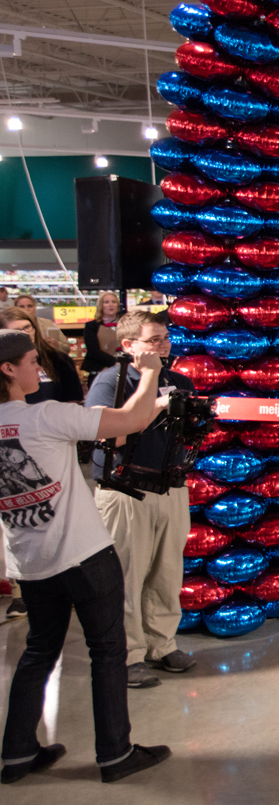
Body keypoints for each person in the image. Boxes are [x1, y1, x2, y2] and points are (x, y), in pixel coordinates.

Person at [0, 329, 171, 784]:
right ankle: (115, 754)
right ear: (7, 369)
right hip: (84, 555)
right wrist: (149, 372)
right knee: (108, 651)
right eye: (32, 361)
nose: (40, 368)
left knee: (39, 651)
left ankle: (16, 754)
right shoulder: (46, 417)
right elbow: (130, 420)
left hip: (30, 563)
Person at [84, 311, 196, 689]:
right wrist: (156, 408)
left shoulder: (177, 380)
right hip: (125, 490)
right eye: (153, 339)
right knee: (126, 576)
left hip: (171, 487)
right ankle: (128, 654)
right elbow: (107, 437)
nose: (162, 345)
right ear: (128, 344)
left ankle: (162, 644)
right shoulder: (110, 382)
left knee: (167, 573)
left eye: (165, 338)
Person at [1, 308, 82, 404]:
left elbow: (72, 401)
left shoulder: (59, 360)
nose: (25, 334)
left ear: (35, 328)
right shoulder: (3, 365)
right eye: (17, 331)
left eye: (27, 327)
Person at [82, 290, 122, 377]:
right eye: (106, 302)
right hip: (99, 370)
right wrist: (114, 363)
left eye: (114, 302)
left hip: (123, 369)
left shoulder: (125, 324)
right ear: (101, 306)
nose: (111, 305)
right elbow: (93, 351)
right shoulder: (91, 326)